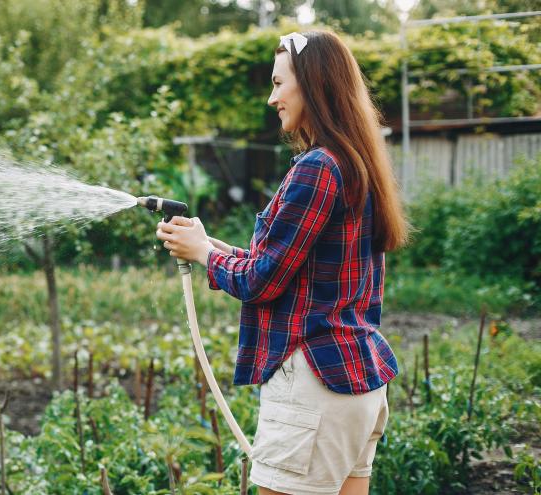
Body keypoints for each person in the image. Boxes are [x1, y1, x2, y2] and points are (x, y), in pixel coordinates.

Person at [156, 30, 410, 495]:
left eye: (278, 83)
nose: (272, 98)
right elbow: (285, 266)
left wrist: (205, 256)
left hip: (315, 388)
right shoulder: (357, 163)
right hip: (358, 384)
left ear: (314, 84)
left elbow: (261, 282)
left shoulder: (317, 168)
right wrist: (206, 245)